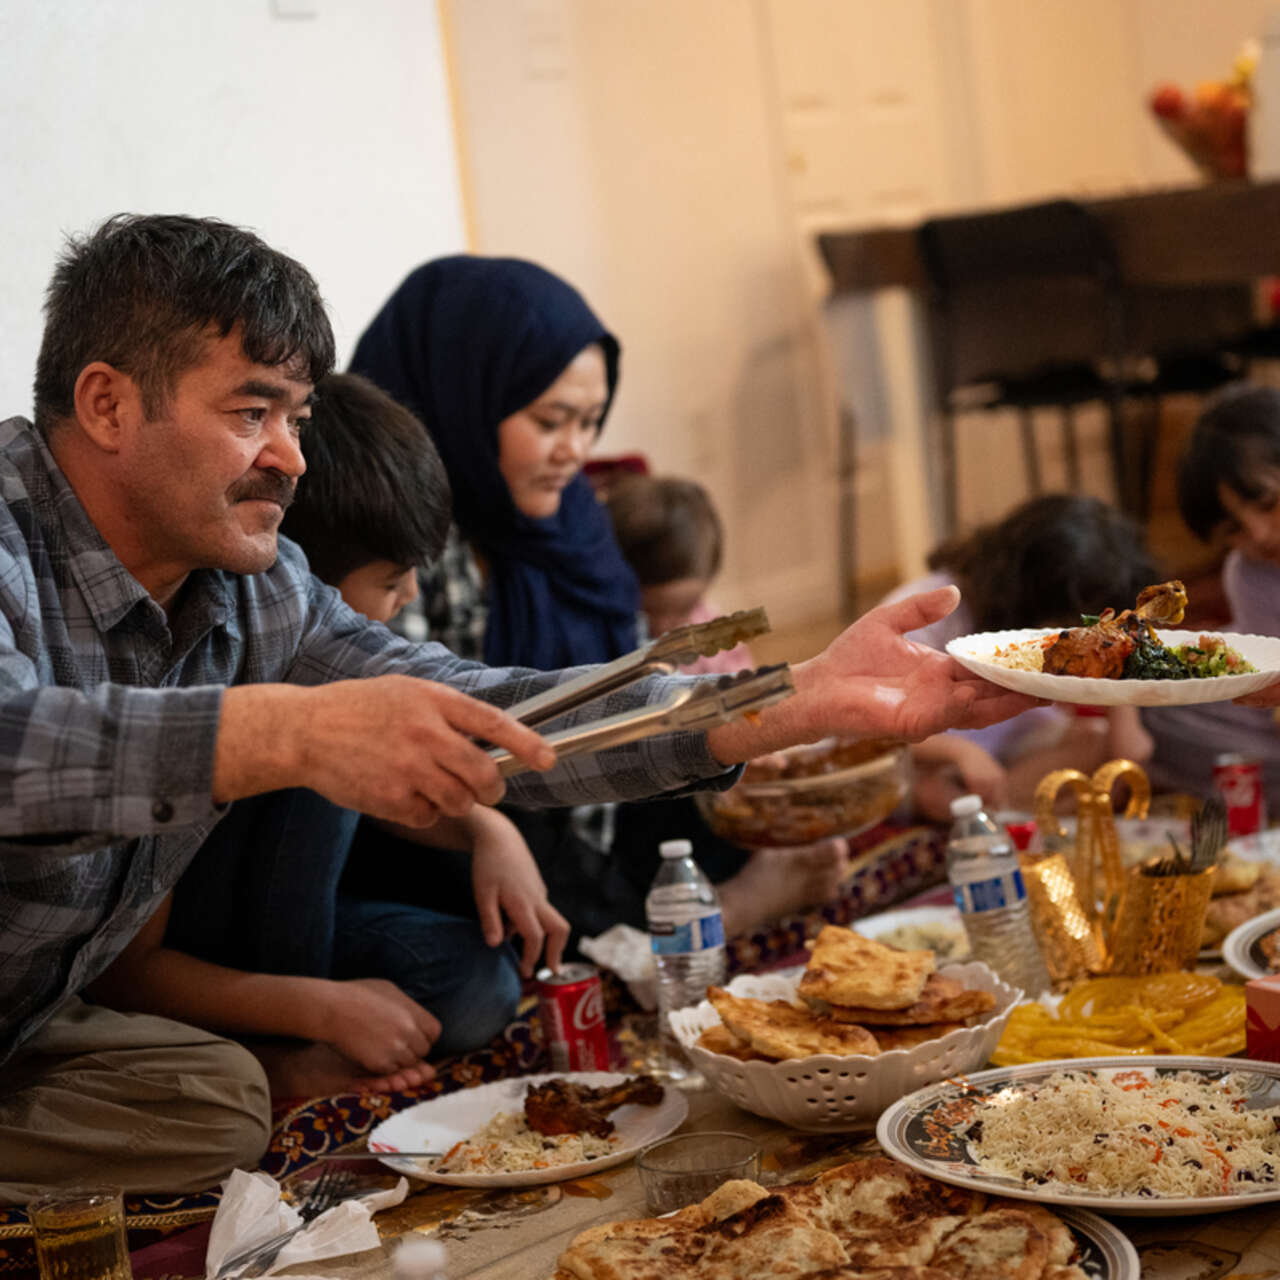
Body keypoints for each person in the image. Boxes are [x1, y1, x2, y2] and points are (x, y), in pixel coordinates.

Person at [0, 212, 1029, 1203]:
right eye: (249, 413)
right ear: (106, 404)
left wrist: (792, 698)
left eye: (297, 419)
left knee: (214, 1103)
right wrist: (290, 728)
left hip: (35, 1012)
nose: (292, 456)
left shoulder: (250, 586)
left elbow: (500, 709)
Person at [88, 372, 571, 1100]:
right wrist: (319, 1010)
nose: (408, 598)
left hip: (298, 931)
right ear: (300, 579)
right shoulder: (205, 685)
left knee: (476, 983)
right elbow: (127, 973)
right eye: (393, 579)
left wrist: (486, 832)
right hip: (180, 981)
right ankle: (277, 1061)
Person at [347, 256, 849, 942]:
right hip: (456, 803)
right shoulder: (398, 542)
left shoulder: (572, 520)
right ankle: (715, 918)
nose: (574, 451)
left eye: (589, 422)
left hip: (573, 777)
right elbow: (425, 736)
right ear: (465, 393)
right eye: (551, 421)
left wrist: (721, 736)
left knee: (713, 795)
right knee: (507, 890)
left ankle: (679, 910)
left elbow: (624, 682)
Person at [878, 494, 1158, 817]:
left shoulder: (1046, 631)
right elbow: (878, 728)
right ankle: (993, 811)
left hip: (996, 742)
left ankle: (997, 810)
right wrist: (959, 753)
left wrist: (1121, 671)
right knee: (930, 790)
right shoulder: (935, 607)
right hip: (919, 751)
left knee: (1097, 747)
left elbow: (1131, 752)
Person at [1138, 383, 1280, 802]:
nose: (1258, 533)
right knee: (1158, 708)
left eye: (1268, 503)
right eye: (1233, 529)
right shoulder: (1248, 573)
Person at [604, 473, 753, 675]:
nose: (665, 627)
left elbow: (747, 687)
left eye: (684, 609)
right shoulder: (610, 640)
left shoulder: (715, 635)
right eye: (650, 610)